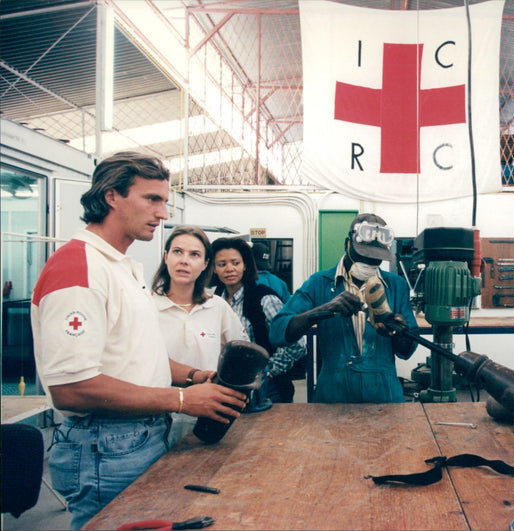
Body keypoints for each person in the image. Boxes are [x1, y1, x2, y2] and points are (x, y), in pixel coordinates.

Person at [30, 152, 247, 530]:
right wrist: (182, 400)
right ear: (112, 196)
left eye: (165, 201)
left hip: (136, 436)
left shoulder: (123, 267)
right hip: (107, 446)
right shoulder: (78, 268)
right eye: (153, 199)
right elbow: (70, 388)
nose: (163, 213)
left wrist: (194, 377)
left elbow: (134, 355)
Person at [269, 213, 418, 403]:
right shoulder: (319, 283)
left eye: (376, 258)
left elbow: (407, 351)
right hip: (333, 396)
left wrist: (399, 332)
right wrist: (325, 310)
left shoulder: (396, 286)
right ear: (347, 245)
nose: (370, 263)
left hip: (384, 396)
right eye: (364, 255)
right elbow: (278, 332)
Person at [151, 225, 249, 447]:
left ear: (206, 264)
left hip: (207, 420)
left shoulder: (217, 306)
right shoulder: (147, 306)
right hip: (156, 420)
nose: (184, 260)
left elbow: (243, 353)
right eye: (177, 252)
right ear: (166, 257)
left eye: (194, 254)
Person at [210, 237, 307, 405]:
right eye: (222, 264)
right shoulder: (213, 301)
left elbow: (298, 343)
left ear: (245, 265)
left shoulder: (264, 298)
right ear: (213, 269)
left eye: (235, 263)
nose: (229, 269)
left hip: (269, 390)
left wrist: (267, 371)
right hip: (227, 387)